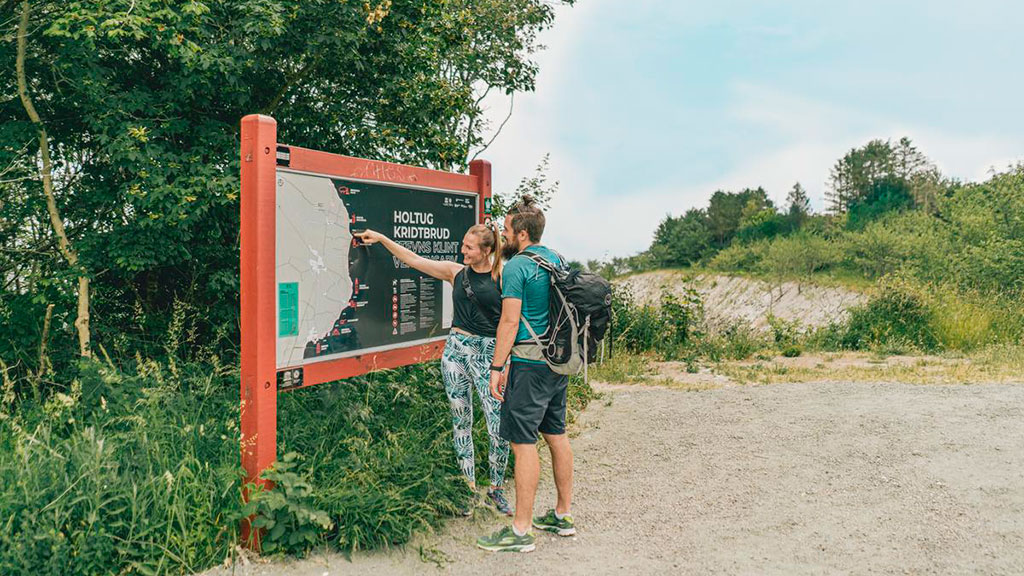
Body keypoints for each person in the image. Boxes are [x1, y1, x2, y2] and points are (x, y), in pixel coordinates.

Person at [356, 224, 513, 516]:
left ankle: (496, 487)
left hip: (489, 355)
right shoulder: (456, 273)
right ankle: (467, 489)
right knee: (460, 422)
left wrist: (504, 363)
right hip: (455, 350)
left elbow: (511, 323)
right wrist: (381, 239)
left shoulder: (504, 278)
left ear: (487, 251)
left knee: (497, 426)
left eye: (469, 247)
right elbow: (413, 259)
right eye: (463, 244)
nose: (462, 250)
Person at [476, 195, 575, 553]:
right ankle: (562, 515)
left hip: (529, 365)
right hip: (557, 362)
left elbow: (509, 320)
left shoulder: (518, 266)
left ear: (521, 232)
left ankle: (520, 530)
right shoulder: (557, 259)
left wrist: (497, 367)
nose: (502, 236)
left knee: (523, 443)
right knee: (557, 435)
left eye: (505, 230)